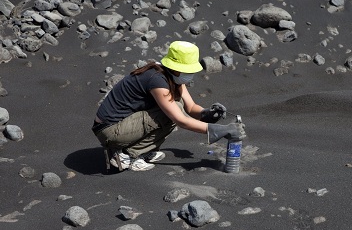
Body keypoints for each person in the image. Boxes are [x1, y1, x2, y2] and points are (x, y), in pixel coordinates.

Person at [92, 41, 246, 171]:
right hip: (109, 130)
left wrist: (208, 114)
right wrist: (218, 130)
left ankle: (141, 150)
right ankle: (127, 155)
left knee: (176, 106)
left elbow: (191, 108)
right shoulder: (157, 79)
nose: (190, 74)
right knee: (173, 111)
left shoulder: (174, 77)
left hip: (124, 123)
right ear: (175, 67)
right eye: (187, 70)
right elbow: (180, 120)